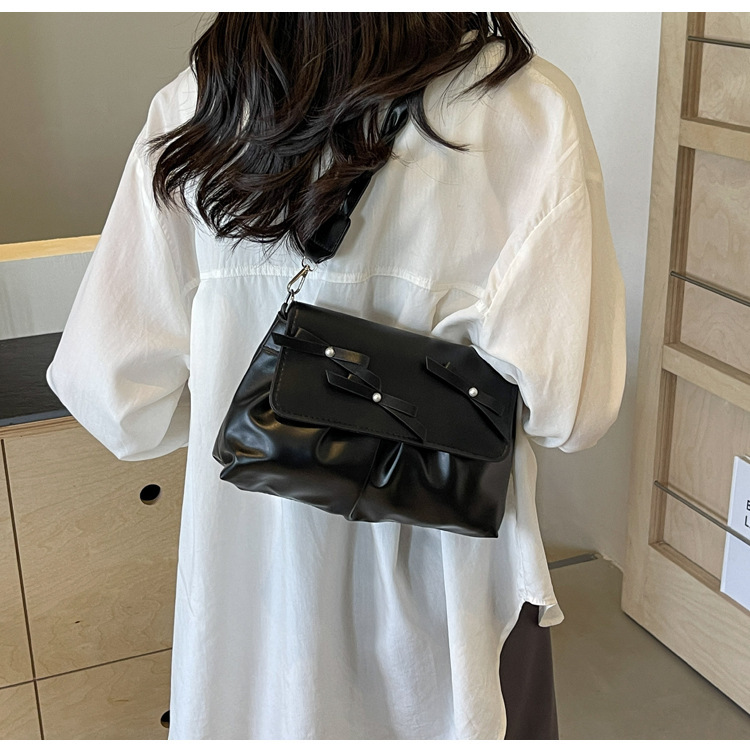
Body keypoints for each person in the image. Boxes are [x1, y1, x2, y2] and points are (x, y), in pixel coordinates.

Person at [47, 12, 626, 740]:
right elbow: (574, 412)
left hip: (252, 604)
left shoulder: (200, 103)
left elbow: (116, 402)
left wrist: (270, 409)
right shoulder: (528, 108)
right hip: (452, 611)